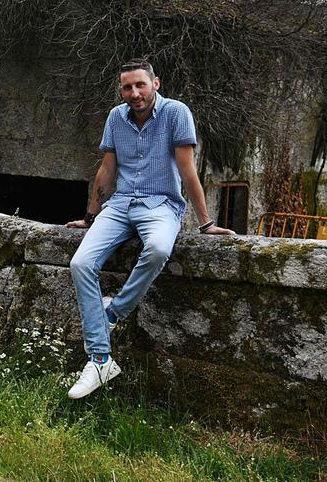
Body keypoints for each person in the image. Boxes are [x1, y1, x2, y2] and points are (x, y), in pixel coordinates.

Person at [64, 59, 235, 399]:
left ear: (155, 83)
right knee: (80, 264)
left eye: (140, 85)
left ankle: (113, 311)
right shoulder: (116, 117)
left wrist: (206, 223)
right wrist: (90, 216)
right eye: (127, 87)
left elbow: (188, 171)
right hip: (121, 204)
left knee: (157, 249)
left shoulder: (176, 113)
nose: (134, 93)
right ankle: (101, 359)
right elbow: (106, 170)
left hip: (162, 205)